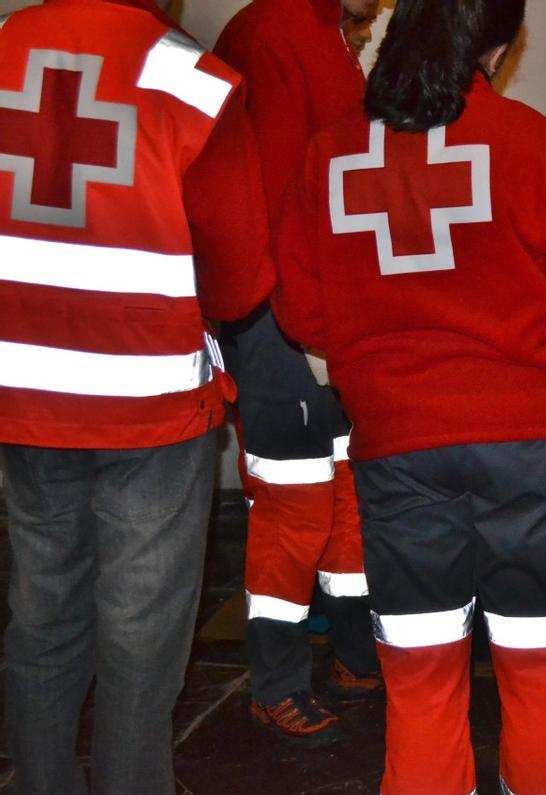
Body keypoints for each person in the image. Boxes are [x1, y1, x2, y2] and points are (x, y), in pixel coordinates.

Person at [272, 0, 546, 795]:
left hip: (398, 447)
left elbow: (300, 311)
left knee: (421, 673)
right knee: (539, 672)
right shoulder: (528, 141)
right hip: (530, 446)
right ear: (495, 48)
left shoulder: (327, 153)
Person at [0, 0, 273, 795]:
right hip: (147, 403)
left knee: (42, 606)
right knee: (141, 625)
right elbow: (242, 269)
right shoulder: (189, 80)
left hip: (22, 391)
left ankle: (41, 785)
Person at [213, 0, 383, 744]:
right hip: (283, 310)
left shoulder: (319, 37)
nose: (375, 14)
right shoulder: (278, 32)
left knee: (348, 493)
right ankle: (277, 681)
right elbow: (284, 195)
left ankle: (354, 656)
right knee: (295, 509)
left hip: (327, 311)